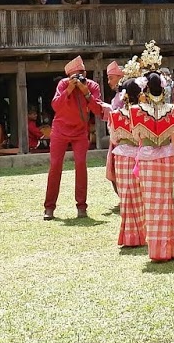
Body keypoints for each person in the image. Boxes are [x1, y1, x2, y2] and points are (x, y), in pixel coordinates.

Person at [130, 70, 174, 261]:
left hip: (147, 157)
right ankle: (170, 248)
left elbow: (137, 137)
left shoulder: (136, 111)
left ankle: (157, 250)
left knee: (152, 204)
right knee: (167, 201)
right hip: (167, 155)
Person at [44, 56, 103, 219]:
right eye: (75, 76)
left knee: (81, 165)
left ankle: (81, 206)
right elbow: (55, 105)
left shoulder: (92, 86)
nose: (78, 78)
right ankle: (49, 208)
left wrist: (86, 93)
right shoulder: (63, 84)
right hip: (60, 130)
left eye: (81, 74)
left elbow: (98, 110)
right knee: (55, 165)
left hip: (80, 132)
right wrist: (69, 89)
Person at [104, 75, 144, 248]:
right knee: (140, 196)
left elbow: (113, 136)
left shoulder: (115, 115)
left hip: (121, 155)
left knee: (125, 195)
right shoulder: (144, 113)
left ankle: (129, 235)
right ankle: (143, 233)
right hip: (140, 155)